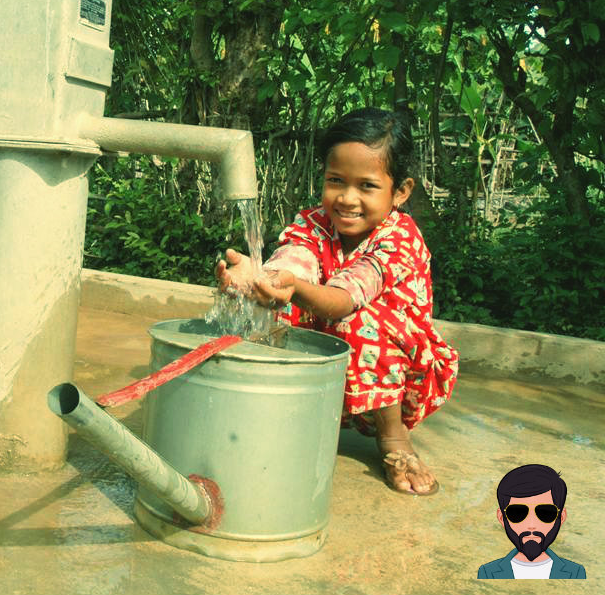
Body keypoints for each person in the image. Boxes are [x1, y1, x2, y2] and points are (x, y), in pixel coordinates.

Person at [216, 107, 458, 495]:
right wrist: (260, 282)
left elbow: (345, 298)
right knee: (273, 306)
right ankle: (283, 411)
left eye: (366, 186)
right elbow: (294, 261)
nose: (346, 198)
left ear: (401, 192)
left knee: (359, 320)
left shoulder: (400, 238)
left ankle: (393, 439)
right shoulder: (314, 223)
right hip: (331, 373)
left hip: (401, 379)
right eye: (335, 181)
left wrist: (292, 286)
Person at [478, 464, 585, 578]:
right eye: (517, 513)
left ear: (562, 517)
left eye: (546, 513)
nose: (531, 525)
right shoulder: (487, 573)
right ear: (501, 518)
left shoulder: (576, 573)